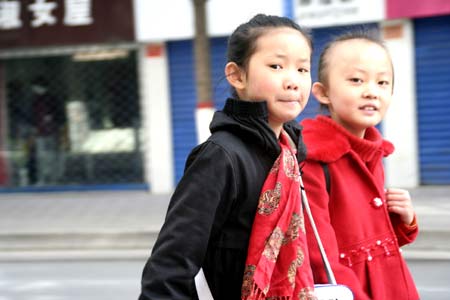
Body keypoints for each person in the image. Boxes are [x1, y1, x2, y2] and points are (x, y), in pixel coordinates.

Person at [139, 14, 316, 299]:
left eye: (302, 69)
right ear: (237, 75)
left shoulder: (292, 152)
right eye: (276, 66)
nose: (293, 81)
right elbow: (172, 261)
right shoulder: (221, 157)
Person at [299, 30, 420, 299]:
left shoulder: (372, 153)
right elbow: (319, 257)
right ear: (322, 92)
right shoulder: (314, 158)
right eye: (356, 80)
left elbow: (370, 240)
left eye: (382, 82)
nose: (371, 92)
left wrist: (405, 220)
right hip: (354, 291)